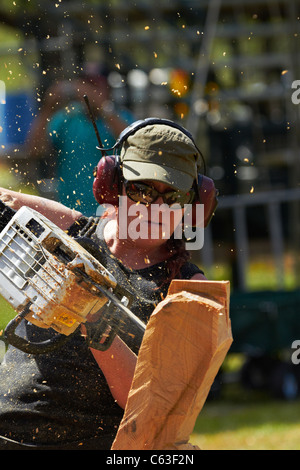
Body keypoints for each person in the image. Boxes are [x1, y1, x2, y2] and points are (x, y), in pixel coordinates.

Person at [0, 119, 207, 450]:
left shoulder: (186, 286)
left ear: (194, 205)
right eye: (142, 190)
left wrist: (94, 319)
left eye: (175, 196)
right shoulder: (72, 230)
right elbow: (5, 200)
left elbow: (150, 404)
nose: (156, 206)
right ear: (114, 187)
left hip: (90, 443)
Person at [26, 75, 134, 215]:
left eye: (94, 87)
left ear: (107, 89)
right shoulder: (67, 118)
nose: (87, 92)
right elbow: (35, 150)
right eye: (84, 86)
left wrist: (102, 107)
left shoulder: (121, 117)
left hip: (114, 211)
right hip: (71, 212)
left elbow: (133, 144)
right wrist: (48, 107)